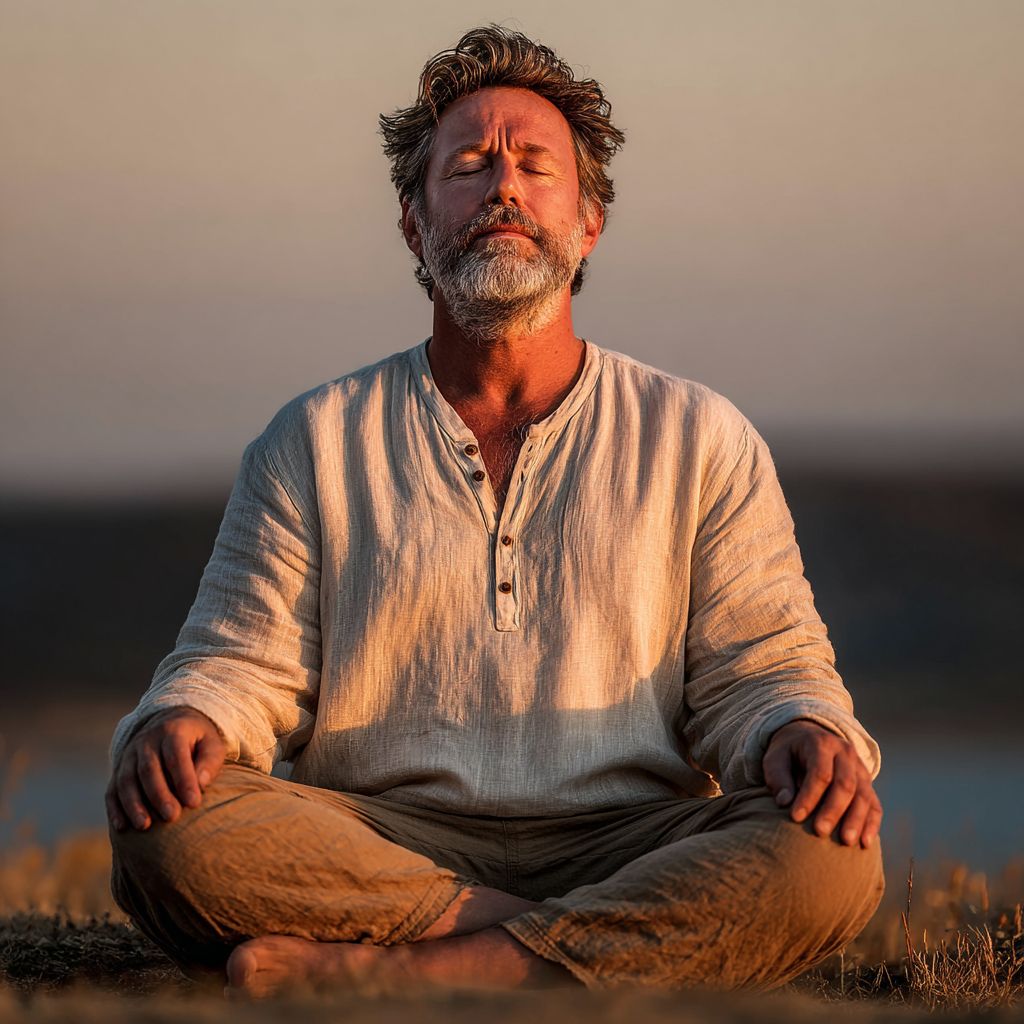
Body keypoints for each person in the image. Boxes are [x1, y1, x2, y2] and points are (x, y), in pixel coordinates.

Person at [106, 25, 884, 998]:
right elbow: (238, 662)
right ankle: (556, 951)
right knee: (167, 828)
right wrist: (189, 714)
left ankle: (387, 977)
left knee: (827, 858)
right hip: (379, 844)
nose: (503, 189)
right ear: (412, 223)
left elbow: (761, 669)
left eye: (534, 167)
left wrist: (795, 727)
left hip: (627, 838)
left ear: (589, 220)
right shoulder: (314, 437)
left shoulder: (697, 434)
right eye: (468, 167)